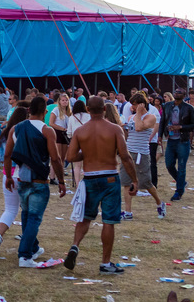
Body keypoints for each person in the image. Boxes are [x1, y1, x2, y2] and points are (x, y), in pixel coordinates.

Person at [63, 96, 138, 275]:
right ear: (104, 109)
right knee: (108, 221)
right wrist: (134, 179)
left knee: (85, 218)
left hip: (89, 177)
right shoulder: (114, 129)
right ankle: (105, 263)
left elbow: (70, 157)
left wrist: (87, 153)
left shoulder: (81, 131)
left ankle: (75, 246)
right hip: (110, 177)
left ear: (88, 110)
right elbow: (125, 156)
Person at [3, 96, 65, 268]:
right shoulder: (47, 131)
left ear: (28, 110)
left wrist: (8, 176)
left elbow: (7, 155)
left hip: (21, 178)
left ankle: (34, 247)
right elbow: (55, 158)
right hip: (39, 180)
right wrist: (61, 181)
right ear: (45, 112)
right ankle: (24, 255)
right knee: (34, 218)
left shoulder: (15, 128)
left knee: (26, 214)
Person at [0, 104, 29, 255]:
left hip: (8, 173)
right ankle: (29, 241)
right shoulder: (24, 132)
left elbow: (3, 155)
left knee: (10, 209)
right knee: (28, 210)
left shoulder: (5, 133)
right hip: (23, 173)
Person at [121, 92, 165, 220]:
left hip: (141, 153)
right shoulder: (131, 117)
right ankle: (128, 212)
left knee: (145, 182)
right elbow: (129, 133)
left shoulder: (151, 117)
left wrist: (139, 112)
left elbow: (140, 127)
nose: (132, 108)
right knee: (126, 182)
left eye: (134, 105)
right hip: (129, 152)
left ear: (141, 104)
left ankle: (159, 202)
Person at [160, 88, 194, 201]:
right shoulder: (167, 106)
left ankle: (179, 191)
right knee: (169, 165)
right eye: (175, 92)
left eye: (179, 93)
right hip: (171, 139)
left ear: (184, 95)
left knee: (181, 167)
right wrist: (159, 136)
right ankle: (182, 182)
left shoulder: (189, 108)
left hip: (182, 140)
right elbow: (163, 121)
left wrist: (180, 127)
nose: (176, 94)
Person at [66, 99, 90, 187]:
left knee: (77, 166)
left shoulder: (71, 118)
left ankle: (77, 184)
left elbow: (69, 133)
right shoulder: (88, 116)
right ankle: (88, 183)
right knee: (88, 164)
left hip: (76, 142)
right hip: (88, 141)